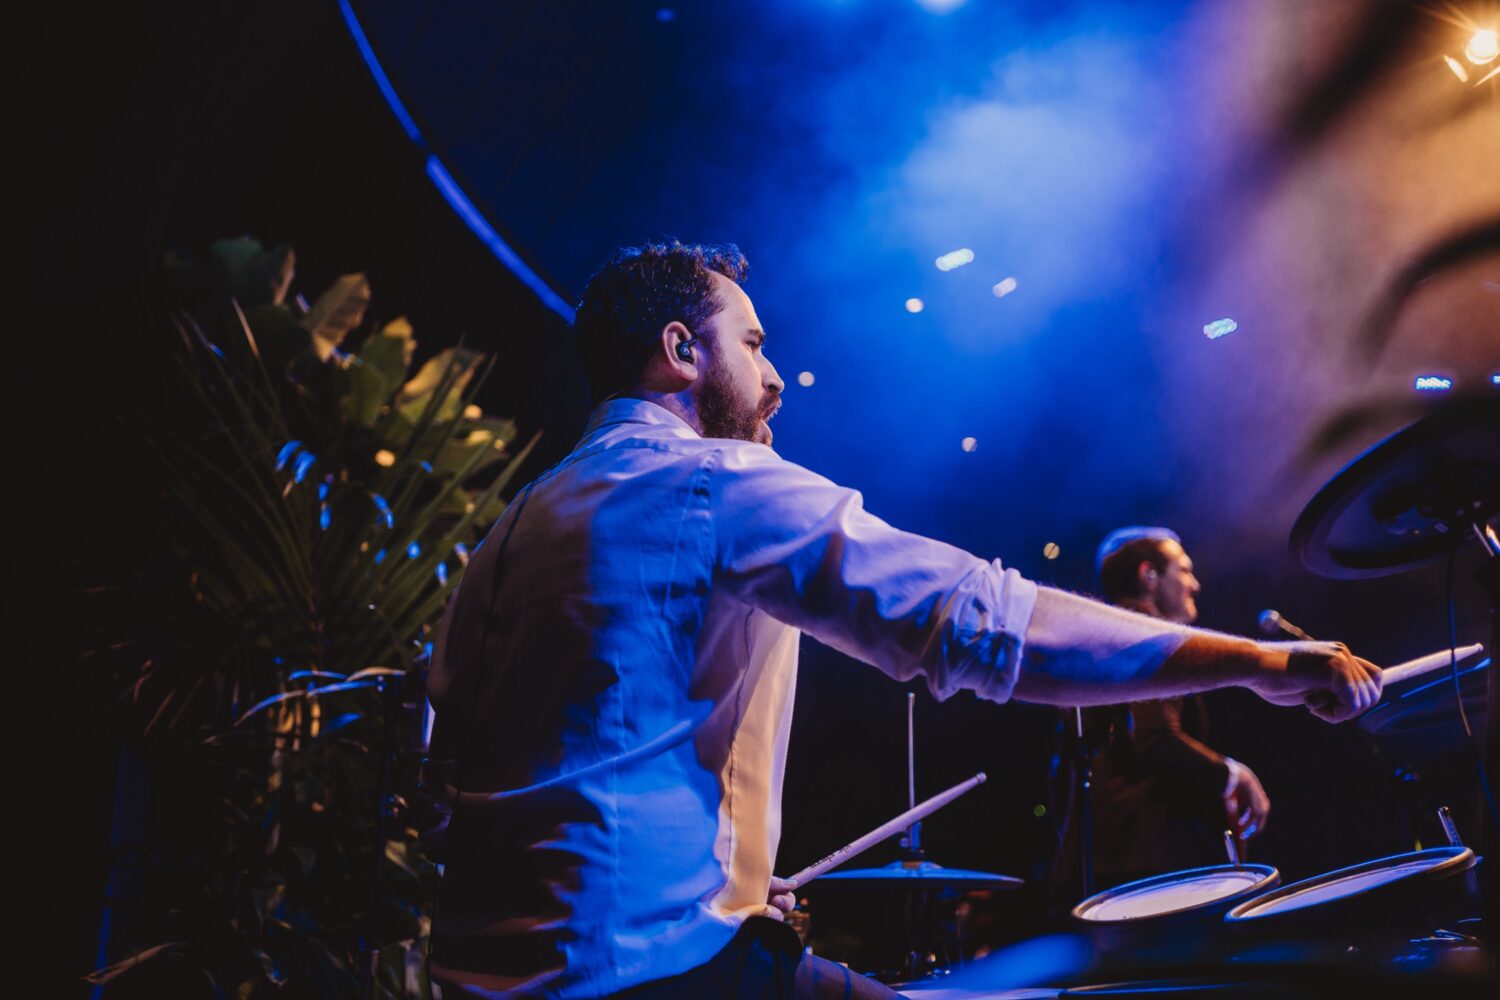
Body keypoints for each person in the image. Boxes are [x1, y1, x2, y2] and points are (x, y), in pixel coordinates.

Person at [424, 241, 1381, 999]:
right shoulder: (711, 482)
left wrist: (725, 882)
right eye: (752, 345)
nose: (776, 378)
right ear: (681, 351)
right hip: (653, 975)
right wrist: (1262, 662)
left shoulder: (507, 539)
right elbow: (986, 625)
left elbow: (482, 781)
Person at [1085, 528, 1272, 885]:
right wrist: (1234, 775)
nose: (1195, 584)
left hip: (1106, 858)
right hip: (1149, 860)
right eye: (1184, 570)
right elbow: (1155, 738)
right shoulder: (1149, 635)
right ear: (1149, 575)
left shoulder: (1102, 638)